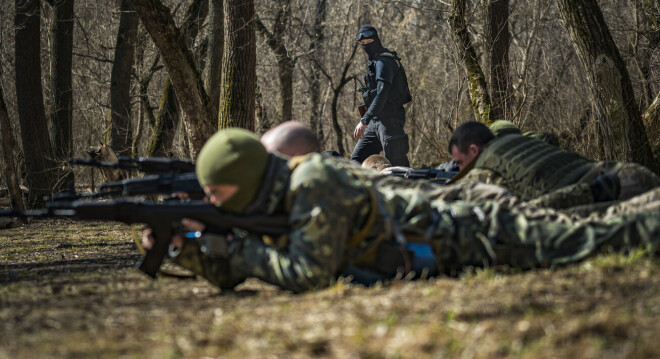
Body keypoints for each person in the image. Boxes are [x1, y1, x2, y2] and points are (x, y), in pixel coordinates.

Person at [143, 128, 660, 293]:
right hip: (456, 237)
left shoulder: (312, 182)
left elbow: (308, 272)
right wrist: (186, 248)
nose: (212, 203)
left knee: (595, 240)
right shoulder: (279, 198)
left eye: (218, 194)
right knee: (592, 228)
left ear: (247, 182)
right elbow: (239, 268)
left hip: (472, 231)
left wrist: (234, 247)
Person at [448, 121, 660, 207]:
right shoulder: (524, 140)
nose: (459, 169)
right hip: (628, 172)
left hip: (609, 196)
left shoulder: (484, 170)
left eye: (459, 162)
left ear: (474, 151)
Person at [351, 25, 411, 167]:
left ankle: (411, 187)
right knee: (356, 160)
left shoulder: (384, 62)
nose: (366, 45)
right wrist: (368, 119)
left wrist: (364, 120)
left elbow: (382, 94)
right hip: (375, 120)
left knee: (397, 164)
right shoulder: (374, 61)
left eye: (369, 41)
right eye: (363, 43)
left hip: (390, 119)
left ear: (376, 40)